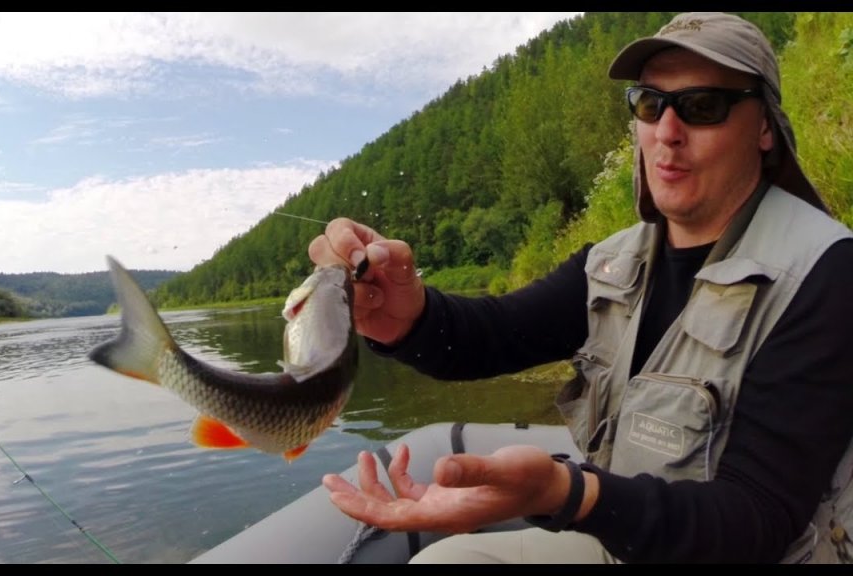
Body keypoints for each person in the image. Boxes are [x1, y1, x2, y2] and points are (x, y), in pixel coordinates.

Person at [307, 12, 853, 564]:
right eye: (650, 104)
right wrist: (409, 317)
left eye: (702, 107)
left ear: (764, 127)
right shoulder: (611, 262)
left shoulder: (826, 275)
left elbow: (755, 521)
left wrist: (570, 495)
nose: (666, 131)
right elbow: (492, 335)